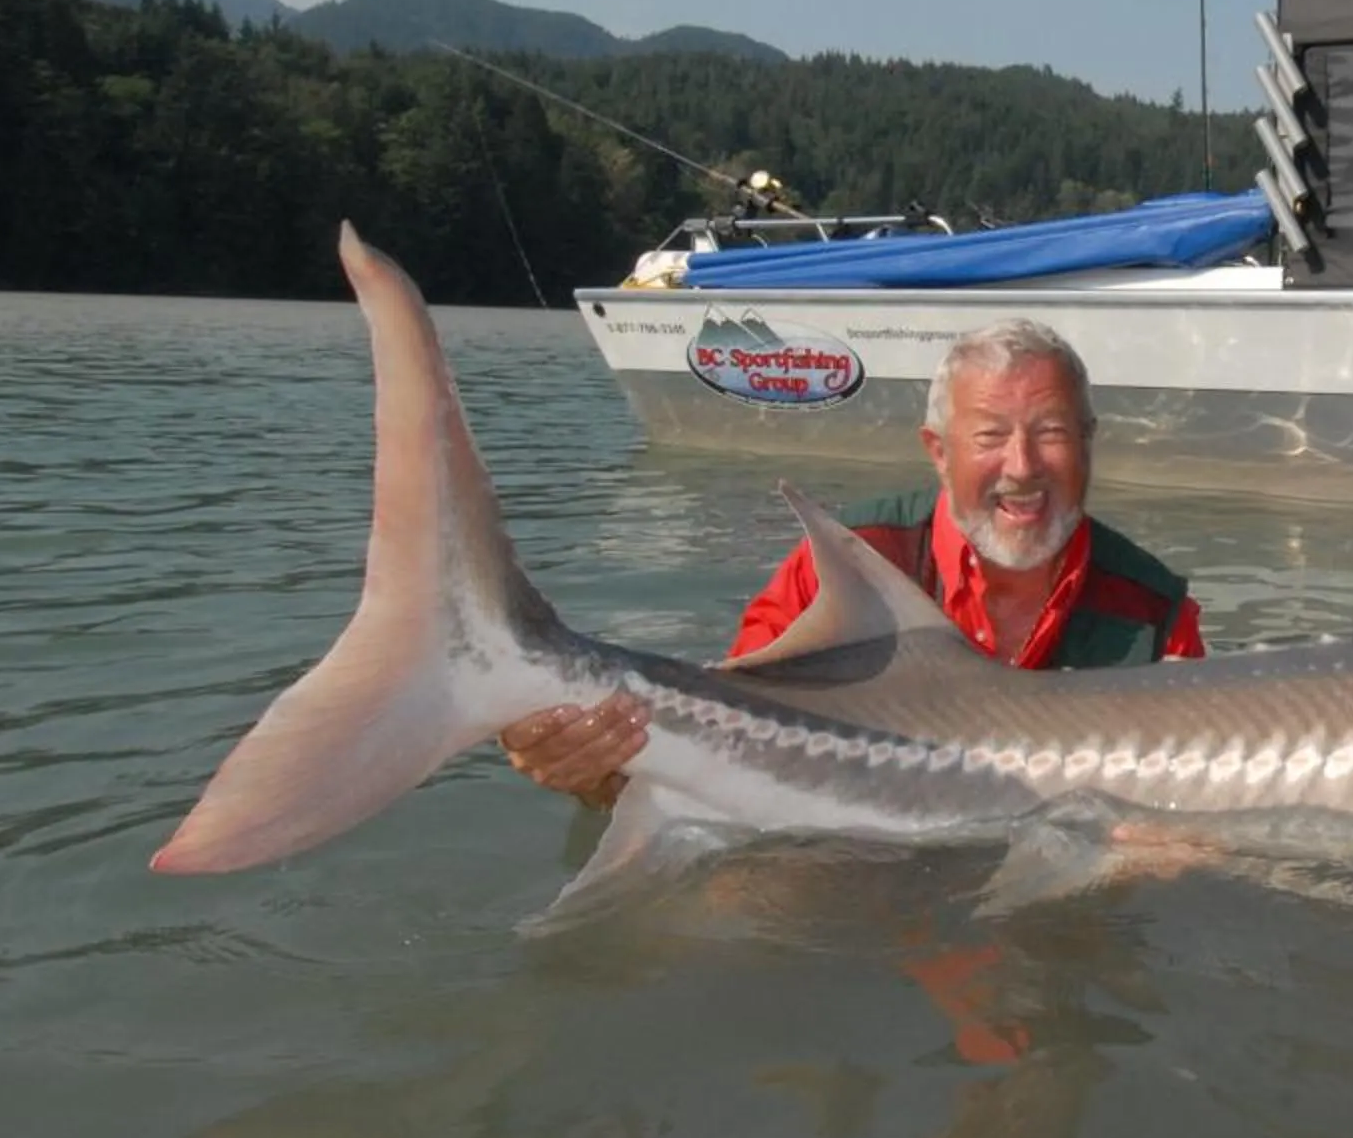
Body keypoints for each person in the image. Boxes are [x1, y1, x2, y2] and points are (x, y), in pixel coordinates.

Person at [499, 317, 1204, 806]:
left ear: (1088, 444)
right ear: (938, 451)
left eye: (1051, 434)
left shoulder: (1154, 612)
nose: (1021, 467)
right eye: (990, 435)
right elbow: (717, 752)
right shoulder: (855, 564)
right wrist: (595, 773)